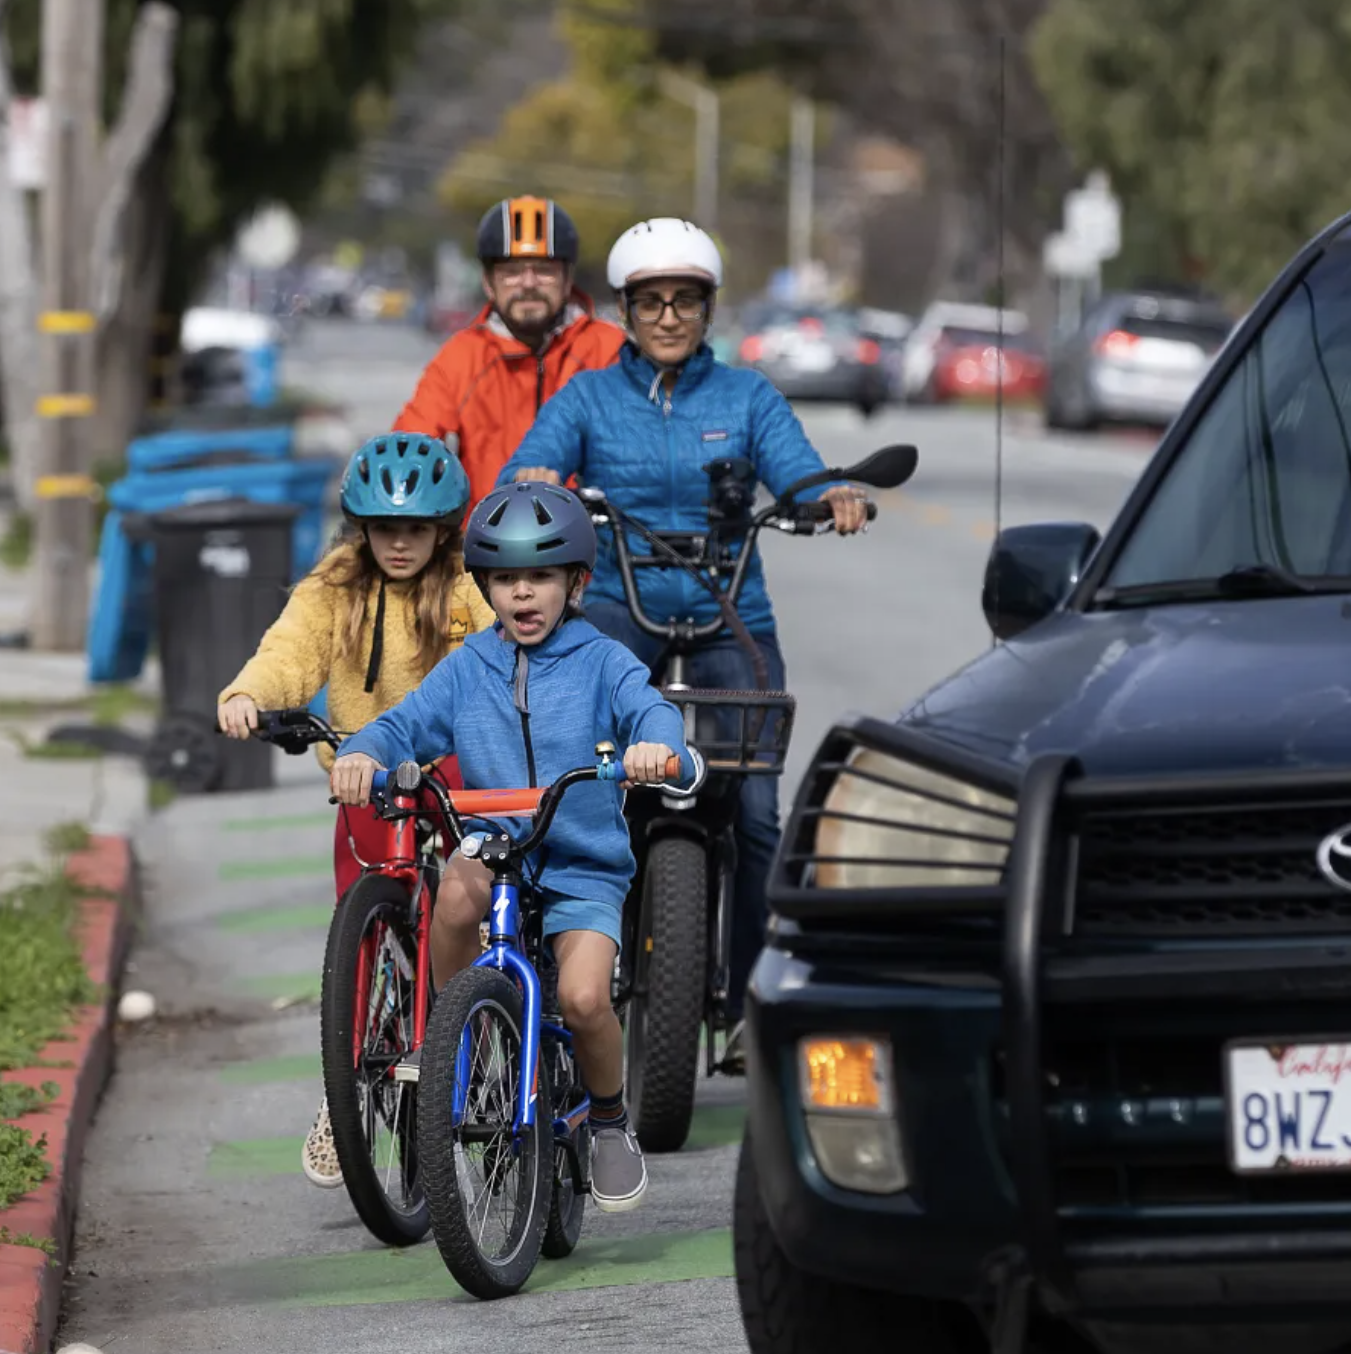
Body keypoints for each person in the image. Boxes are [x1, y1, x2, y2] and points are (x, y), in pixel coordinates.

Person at [504, 218, 872, 1066]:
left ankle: (749, 997)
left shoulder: (747, 397)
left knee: (754, 810)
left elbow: (800, 472)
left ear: (708, 309)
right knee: (574, 789)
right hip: (618, 607)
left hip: (730, 612)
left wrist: (834, 495)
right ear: (626, 311)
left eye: (686, 301)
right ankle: (553, 977)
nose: (668, 316)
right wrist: (529, 480)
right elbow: (533, 461)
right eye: (650, 302)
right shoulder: (591, 397)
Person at [330, 482, 693, 1213]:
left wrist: (658, 746)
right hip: (497, 846)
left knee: (584, 997)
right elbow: (404, 725)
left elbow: (650, 708)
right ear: (485, 586)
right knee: (456, 889)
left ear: (576, 583)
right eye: (504, 580)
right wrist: (363, 754)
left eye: (540, 578)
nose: (522, 595)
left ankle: (611, 1122)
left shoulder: (602, 661)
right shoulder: (469, 667)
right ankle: (460, 1037)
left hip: (583, 859)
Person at [217, 432, 497, 1189]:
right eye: (383, 528)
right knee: (362, 934)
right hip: (365, 780)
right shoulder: (333, 588)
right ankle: (347, 1093)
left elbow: (508, 650)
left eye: (415, 528)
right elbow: (289, 652)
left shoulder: (472, 585)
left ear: (445, 529)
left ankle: (474, 1040)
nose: (399, 544)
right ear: (359, 528)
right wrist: (250, 695)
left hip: (456, 777)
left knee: (468, 905)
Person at [393, 196, 626, 514]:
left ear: (568, 278)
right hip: (483, 551)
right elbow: (410, 450)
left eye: (544, 270)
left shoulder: (609, 348)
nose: (528, 283)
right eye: (512, 271)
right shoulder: (461, 357)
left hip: (593, 552)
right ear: (488, 282)